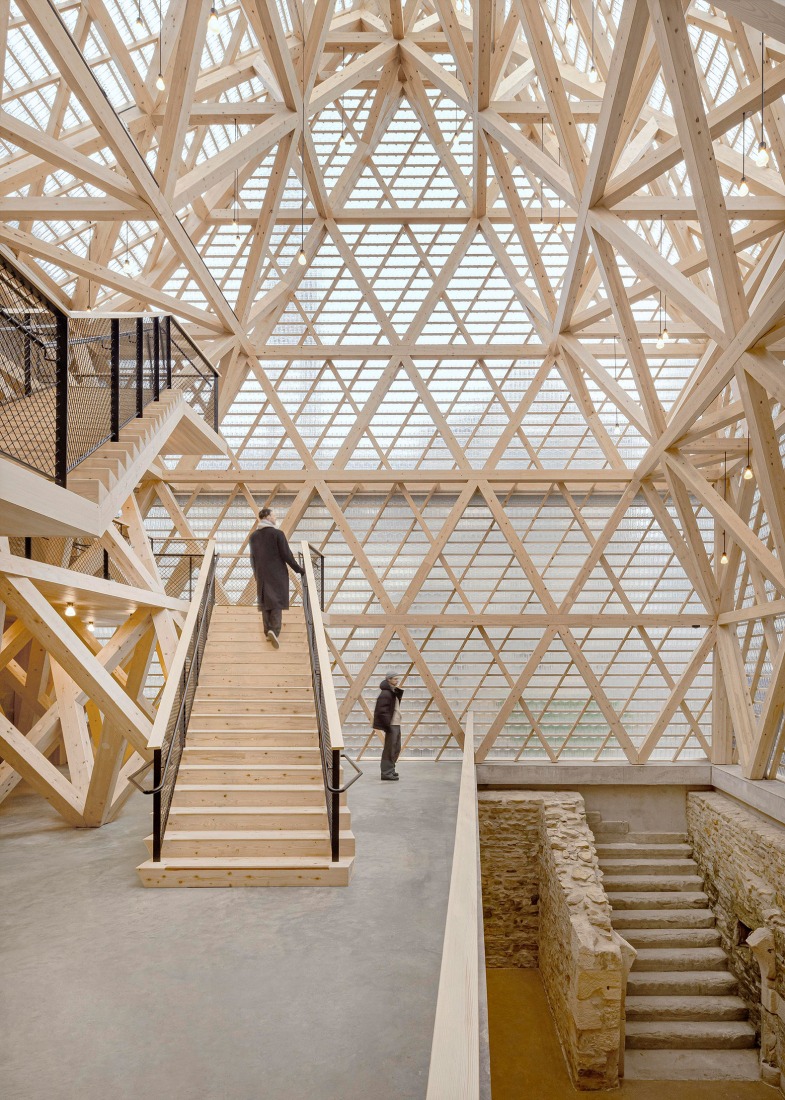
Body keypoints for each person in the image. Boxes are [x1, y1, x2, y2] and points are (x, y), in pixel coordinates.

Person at [249, 507, 304, 648]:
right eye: (274, 515)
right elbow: (287, 554)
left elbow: (253, 558)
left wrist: (256, 574)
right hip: (277, 573)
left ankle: (267, 631)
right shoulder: (277, 534)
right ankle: (274, 630)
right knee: (276, 601)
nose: (275, 518)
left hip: (262, 574)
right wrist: (299, 570)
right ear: (267, 517)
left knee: (265, 601)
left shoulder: (254, 536)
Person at [373, 673, 403, 781]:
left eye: (397, 679)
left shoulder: (392, 692)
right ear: (389, 680)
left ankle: (391, 770)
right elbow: (381, 711)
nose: (397, 680)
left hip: (396, 723)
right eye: (395, 679)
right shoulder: (385, 693)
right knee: (389, 749)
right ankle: (386, 773)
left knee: (396, 748)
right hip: (391, 724)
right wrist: (387, 726)